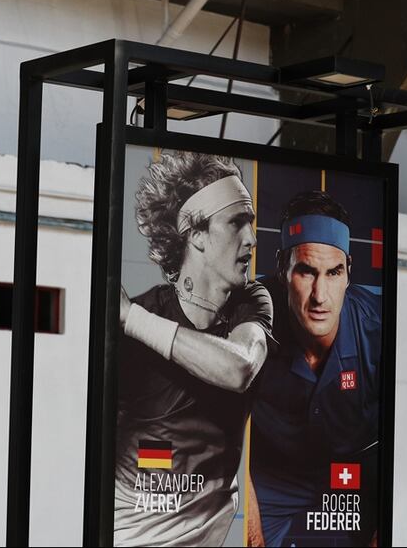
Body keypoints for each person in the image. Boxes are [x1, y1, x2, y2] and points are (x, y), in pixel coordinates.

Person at [114, 150, 273, 547]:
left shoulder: (250, 301)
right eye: (237, 223)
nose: (251, 239)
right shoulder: (139, 322)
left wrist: (130, 319)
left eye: (250, 223)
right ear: (196, 234)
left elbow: (241, 368)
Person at [247, 191, 381, 547]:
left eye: (333, 272)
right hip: (273, 475)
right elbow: (219, 434)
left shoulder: (379, 330)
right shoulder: (245, 322)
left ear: (349, 272)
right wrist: (251, 536)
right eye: (306, 272)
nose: (321, 295)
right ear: (282, 268)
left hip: (358, 474)